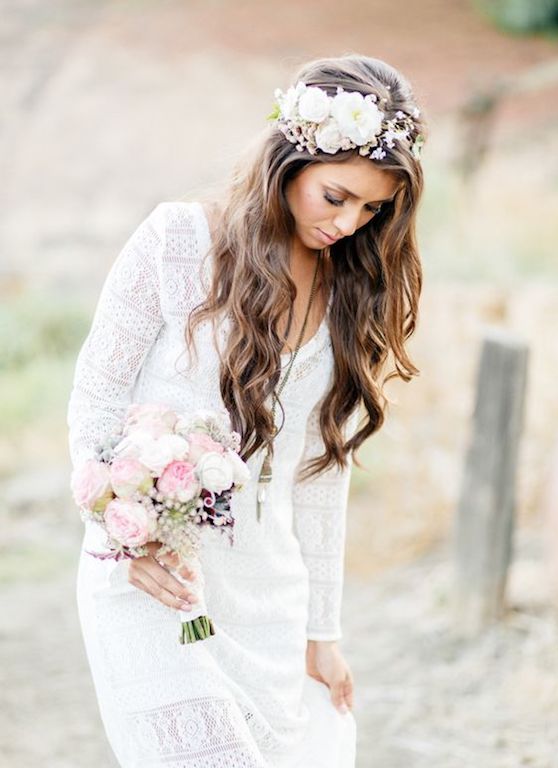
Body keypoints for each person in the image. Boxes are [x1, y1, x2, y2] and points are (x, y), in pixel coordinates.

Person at [67, 53, 427, 768]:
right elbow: (97, 397)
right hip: (153, 580)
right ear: (288, 160)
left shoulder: (348, 292)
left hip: (269, 598)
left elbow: (320, 477)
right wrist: (122, 527)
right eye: (337, 196)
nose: (350, 222)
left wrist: (321, 632)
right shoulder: (176, 241)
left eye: (372, 209)